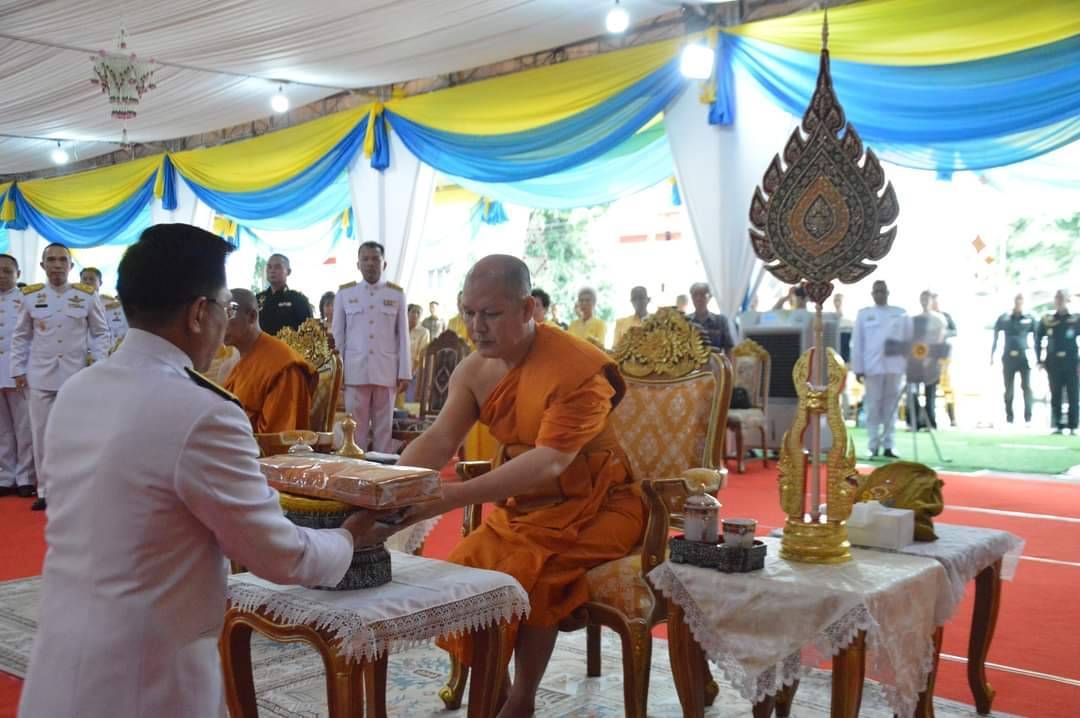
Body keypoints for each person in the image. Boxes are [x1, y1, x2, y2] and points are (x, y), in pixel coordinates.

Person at [18, 224, 401, 718]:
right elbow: (278, 556)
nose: (226, 322)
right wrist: (350, 539)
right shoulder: (203, 411)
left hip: (58, 663)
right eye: (225, 306)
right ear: (200, 313)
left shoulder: (78, 390)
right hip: (147, 681)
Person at [398, 255, 644, 717]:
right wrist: (390, 484)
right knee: (465, 571)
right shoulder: (475, 371)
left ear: (529, 308)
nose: (476, 326)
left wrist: (451, 497)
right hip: (529, 510)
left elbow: (551, 461)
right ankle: (494, 690)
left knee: (537, 576)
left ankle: (522, 699)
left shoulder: (577, 369)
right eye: (469, 312)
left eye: (491, 314)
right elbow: (439, 439)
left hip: (604, 507)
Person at [10, 243, 110, 511]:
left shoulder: (87, 296)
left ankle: (76, 488)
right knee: (41, 435)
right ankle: (45, 490)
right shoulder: (30, 297)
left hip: (76, 377)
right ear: (42, 265)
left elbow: (101, 333)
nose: (56, 265)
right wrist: (18, 369)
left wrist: (98, 364)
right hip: (40, 376)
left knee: (77, 435)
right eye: (51, 260)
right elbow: (21, 336)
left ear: (70, 266)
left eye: (62, 260)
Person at [332, 241, 411, 452]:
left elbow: (403, 336)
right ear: (357, 264)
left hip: (386, 370)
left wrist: (405, 372)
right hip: (354, 370)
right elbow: (338, 336)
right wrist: (336, 372)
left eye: (375, 259)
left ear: (384, 264)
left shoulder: (396, 294)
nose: (370, 263)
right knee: (354, 428)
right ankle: (357, 471)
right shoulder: (345, 293)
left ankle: (382, 471)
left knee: (383, 428)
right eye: (365, 259)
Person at [222, 289, 317, 433]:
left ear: (251, 317)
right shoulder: (239, 362)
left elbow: (277, 436)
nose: (221, 323)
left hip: (265, 453)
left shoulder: (282, 366)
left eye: (228, 314)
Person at [851, 280, 910, 459]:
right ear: (872, 294)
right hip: (872, 366)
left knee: (891, 407)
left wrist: (908, 366)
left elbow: (908, 341)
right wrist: (858, 368)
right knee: (873, 406)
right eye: (876, 291)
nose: (879, 294)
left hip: (894, 366)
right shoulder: (864, 315)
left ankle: (889, 445)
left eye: (882, 291)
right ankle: (873, 445)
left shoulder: (900, 314)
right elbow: (857, 343)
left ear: (888, 292)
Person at [0, 254, 35, 499]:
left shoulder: (27, 300)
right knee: (2, 429)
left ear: (18, 274)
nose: (2, 276)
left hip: (20, 371)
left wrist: (24, 368)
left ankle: (25, 477)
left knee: (24, 427)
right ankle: (5, 476)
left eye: (7, 271)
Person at [1036, 289, 1079, 435]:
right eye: (1057, 298)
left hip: (1072, 362)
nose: (1059, 300)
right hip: (1053, 362)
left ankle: (1073, 425)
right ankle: (1057, 424)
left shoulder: (1075, 318)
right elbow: (1038, 339)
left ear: (1067, 299)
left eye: (1062, 298)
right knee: (1056, 393)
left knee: (1073, 393)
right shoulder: (1048, 320)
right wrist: (1039, 359)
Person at [906, 290, 948, 430]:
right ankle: (914, 422)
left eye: (927, 299)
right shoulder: (914, 319)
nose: (924, 301)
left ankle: (930, 423)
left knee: (930, 393)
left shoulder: (939, 319)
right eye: (922, 298)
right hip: (916, 360)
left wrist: (930, 357)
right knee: (913, 392)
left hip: (932, 360)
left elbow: (940, 339)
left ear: (932, 300)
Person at [991, 293, 1035, 425]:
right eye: (1016, 300)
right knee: (1008, 389)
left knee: (1026, 387)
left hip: (1024, 356)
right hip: (1008, 356)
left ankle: (1028, 417)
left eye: (1021, 300)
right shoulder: (1005, 318)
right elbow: (996, 336)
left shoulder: (1029, 318)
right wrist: (992, 355)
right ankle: (1009, 417)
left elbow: (1037, 337)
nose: (1018, 303)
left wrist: (1038, 357)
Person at [256, 253, 313, 336]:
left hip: (288, 347)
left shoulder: (298, 300)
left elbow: (309, 332)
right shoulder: (257, 299)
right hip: (262, 347)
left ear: (288, 271)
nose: (272, 270)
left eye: (277, 267)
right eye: (269, 267)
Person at [686, 282, 734, 354]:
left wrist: (730, 365)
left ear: (709, 297)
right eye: (695, 295)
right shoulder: (685, 321)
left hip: (715, 363)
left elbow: (729, 348)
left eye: (702, 295)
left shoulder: (721, 321)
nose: (698, 298)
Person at [405, 303, 431, 403]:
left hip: (415, 372)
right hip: (397, 370)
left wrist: (412, 371)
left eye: (418, 312)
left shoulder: (424, 332)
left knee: (409, 402)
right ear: (407, 313)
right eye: (413, 312)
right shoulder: (400, 328)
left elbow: (422, 354)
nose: (415, 315)